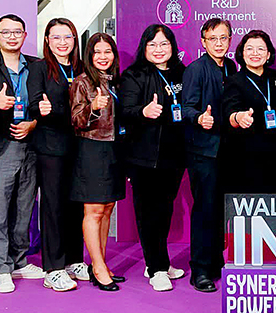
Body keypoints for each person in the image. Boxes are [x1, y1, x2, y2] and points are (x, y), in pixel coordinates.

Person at [0, 14, 42, 293]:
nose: (12, 36)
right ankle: (1, 267)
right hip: (1, 145)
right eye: (6, 32)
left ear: (25, 35)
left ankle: (19, 260)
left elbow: (45, 103)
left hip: (33, 144)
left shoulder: (37, 65)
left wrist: (33, 123)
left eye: (17, 32)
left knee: (25, 207)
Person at [120, 24, 187, 292]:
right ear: (144, 47)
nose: (159, 50)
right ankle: (156, 268)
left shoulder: (182, 72)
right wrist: (143, 111)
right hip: (143, 157)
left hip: (175, 155)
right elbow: (124, 111)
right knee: (148, 213)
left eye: (164, 44)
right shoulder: (133, 75)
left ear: (172, 46)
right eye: (153, 44)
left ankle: (160, 261)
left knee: (165, 210)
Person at [27, 18, 88, 292]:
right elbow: (35, 104)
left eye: (68, 37)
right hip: (51, 147)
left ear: (75, 40)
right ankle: (53, 268)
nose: (62, 42)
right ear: (47, 41)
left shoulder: (81, 68)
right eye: (56, 37)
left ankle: (74, 260)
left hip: (80, 146)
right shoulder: (39, 68)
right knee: (53, 206)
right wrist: (41, 110)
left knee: (76, 204)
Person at [181, 18, 236, 292]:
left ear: (230, 40)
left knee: (220, 210)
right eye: (213, 39)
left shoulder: (231, 67)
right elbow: (186, 107)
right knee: (204, 209)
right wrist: (199, 118)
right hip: (203, 151)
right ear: (203, 42)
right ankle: (200, 270)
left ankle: (215, 263)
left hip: (227, 150)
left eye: (223, 38)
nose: (218, 43)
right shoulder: (195, 69)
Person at [70, 33, 126, 292]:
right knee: (93, 210)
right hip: (91, 148)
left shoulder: (116, 81)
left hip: (115, 148)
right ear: (89, 56)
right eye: (97, 52)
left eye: (108, 52)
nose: (103, 57)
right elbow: (75, 120)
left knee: (108, 207)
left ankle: (99, 263)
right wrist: (92, 107)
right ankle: (99, 268)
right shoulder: (82, 81)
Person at [223, 30, 276, 195]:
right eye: (250, 49)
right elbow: (230, 111)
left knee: (275, 205)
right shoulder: (234, 81)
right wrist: (239, 117)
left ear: (268, 54)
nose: (255, 53)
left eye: (260, 49)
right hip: (246, 157)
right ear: (242, 53)